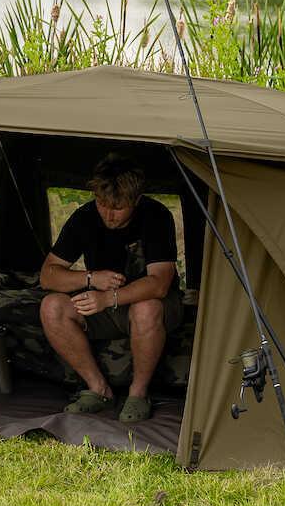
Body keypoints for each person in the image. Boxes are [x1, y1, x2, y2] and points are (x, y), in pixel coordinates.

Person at [38, 154, 183, 422]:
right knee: (52, 307)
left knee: (146, 308)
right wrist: (91, 278)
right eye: (102, 204)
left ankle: (138, 394)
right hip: (105, 306)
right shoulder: (85, 217)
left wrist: (108, 298)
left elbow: (160, 284)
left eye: (118, 208)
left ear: (136, 200)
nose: (108, 214)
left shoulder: (156, 216)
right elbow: (47, 276)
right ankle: (98, 389)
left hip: (153, 305)